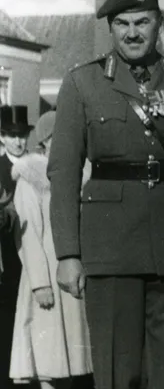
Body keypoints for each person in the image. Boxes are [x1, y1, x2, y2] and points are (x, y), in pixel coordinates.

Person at [48, 0, 164, 389]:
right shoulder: (83, 84)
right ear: (111, 28)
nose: (132, 32)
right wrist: (68, 253)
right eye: (122, 23)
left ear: (159, 23)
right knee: (117, 368)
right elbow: (64, 173)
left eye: (142, 21)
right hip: (111, 245)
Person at [9, 111, 93, 387]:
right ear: (45, 141)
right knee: (49, 359)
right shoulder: (31, 177)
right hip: (45, 278)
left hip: (74, 278)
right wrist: (40, 284)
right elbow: (28, 235)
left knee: (72, 359)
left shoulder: (82, 176)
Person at [0, 105, 31, 388]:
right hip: (7, 255)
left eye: (22, 135)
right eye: (12, 135)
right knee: (8, 316)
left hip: (33, 252)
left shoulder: (36, 164)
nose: (18, 142)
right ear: (2, 137)